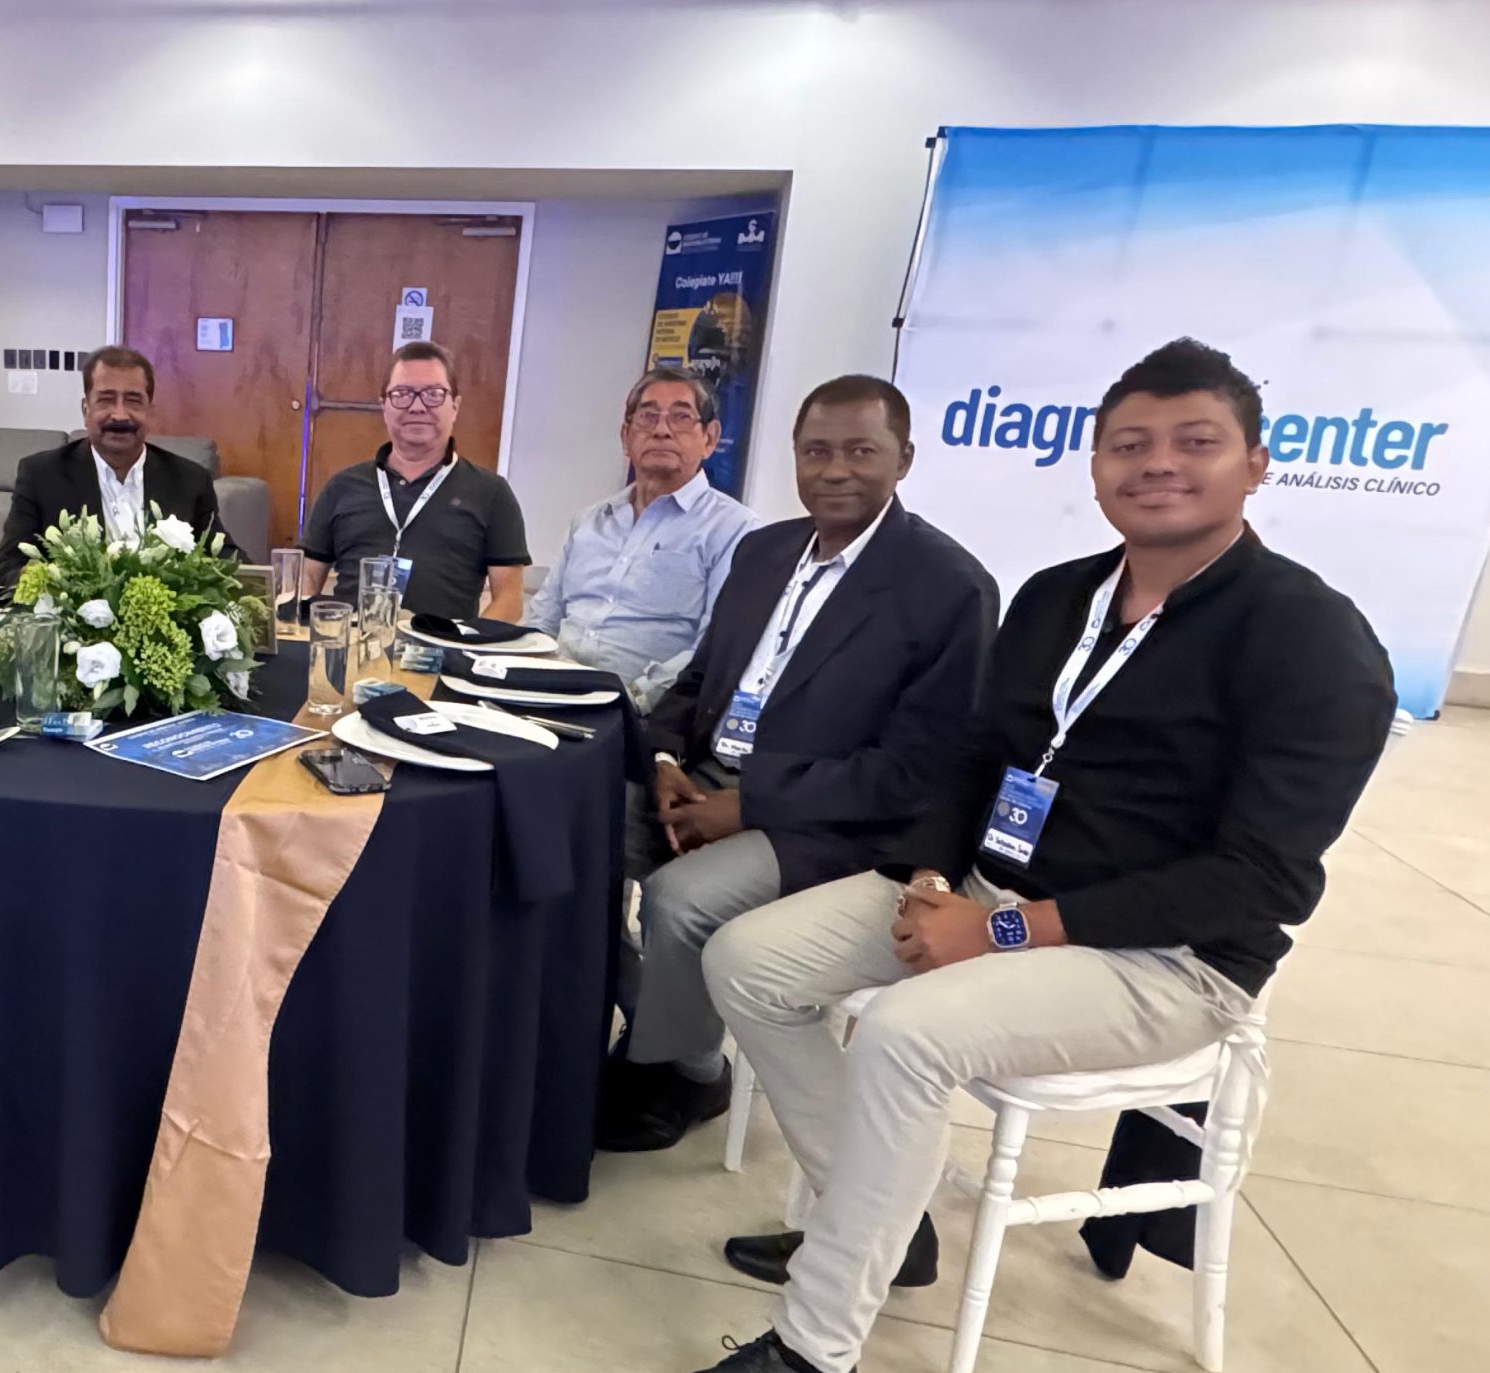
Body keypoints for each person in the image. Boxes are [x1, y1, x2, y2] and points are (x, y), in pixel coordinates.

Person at [627, 338, 1395, 1373]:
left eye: (1194, 442)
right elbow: (968, 761)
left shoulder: (1311, 639)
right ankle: (882, 1223)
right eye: (1128, 444)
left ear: (1256, 465)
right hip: (985, 888)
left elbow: (1259, 880)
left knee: (905, 1034)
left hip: (1164, 956)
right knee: (746, 959)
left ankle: (812, 1359)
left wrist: (1004, 929)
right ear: (1096, 465)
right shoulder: (1058, 597)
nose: (1156, 464)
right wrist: (935, 878)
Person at [596, 376, 996, 1154]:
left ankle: (686, 1072)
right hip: (704, 779)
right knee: (567, 846)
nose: (835, 470)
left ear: (904, 460)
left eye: (861, 451)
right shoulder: (765, 550)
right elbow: (698, 681)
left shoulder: (949, 588)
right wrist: (668, 759)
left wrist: (749, 806)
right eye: (816, 452)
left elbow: (913, 772)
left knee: (681, 900)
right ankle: (643, 1021)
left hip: (830, 821)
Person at [526, 367, 758, 707]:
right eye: (648, 417)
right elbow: (543, 620)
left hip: (639, 712)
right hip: (547, 694)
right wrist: (522, 676)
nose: (661, 430)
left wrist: (632, 699)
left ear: (710, 438)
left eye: (681, 417)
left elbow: (713, 647)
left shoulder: (734, 530)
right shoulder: (589, 521)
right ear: (626, 437)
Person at [301, 341, 529, 621]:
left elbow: (509, 601)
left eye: (433, 394)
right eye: (402, 394)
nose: (417, 407)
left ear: (455, 406)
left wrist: (467, 642)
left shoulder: (491, 493)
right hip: (350, 640)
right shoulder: (342, 487)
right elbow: (308, 579)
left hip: (442, 646)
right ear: (384, 406)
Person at [0, 345, 232, 590]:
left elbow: (230, 562)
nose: (120, 415)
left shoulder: (189, 480)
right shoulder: (42, 475)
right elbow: (5, 569)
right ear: (86, 410)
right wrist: (57, 584)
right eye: (106, 399)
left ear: (150, 411)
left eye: (133, 401)